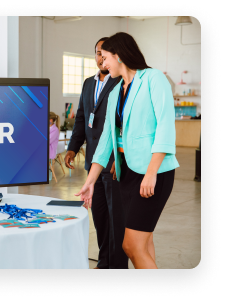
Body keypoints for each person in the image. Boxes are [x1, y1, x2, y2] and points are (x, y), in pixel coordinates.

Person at [75, 32, 179, 269]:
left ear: (119, 55)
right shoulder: (116, 91)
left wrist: (151, 172)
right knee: (144, 241)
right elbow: (106, 142)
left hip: (153, 172)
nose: (103, 63)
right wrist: (91, 180)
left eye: (105, 57)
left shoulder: (153, 79)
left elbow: (165, 126)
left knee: (131, 245)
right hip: (127, 174)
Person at [65, 37, 128, 269]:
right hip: (93, 161)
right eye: (97, 52)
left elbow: (124, 124)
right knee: (100, 219)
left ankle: (118, 266)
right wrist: (73, 147)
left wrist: (121, 156)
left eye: (105, 53)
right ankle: (104, 263)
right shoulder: (88, 83)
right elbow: (81, 117)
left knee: (116, 221)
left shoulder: (122, 81)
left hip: (113, 163)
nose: (100, 57)